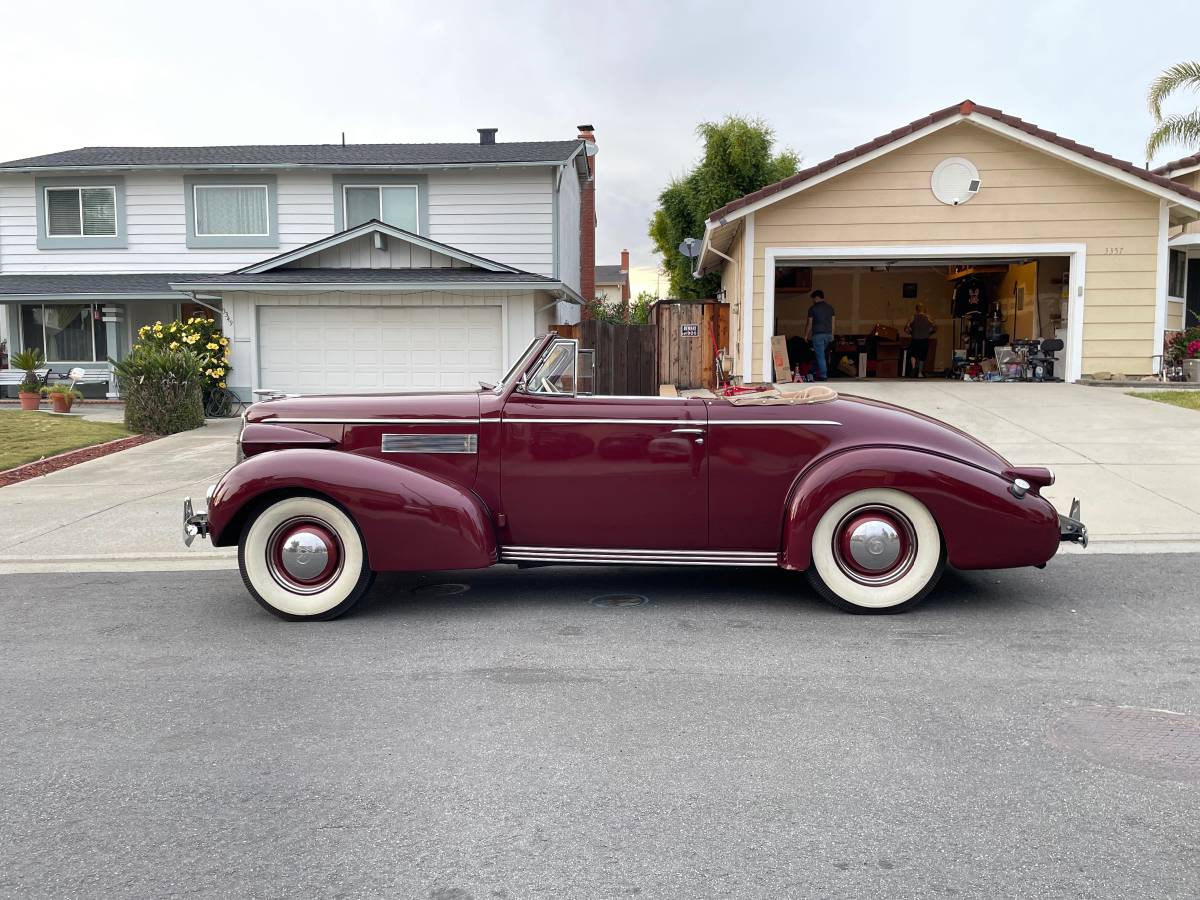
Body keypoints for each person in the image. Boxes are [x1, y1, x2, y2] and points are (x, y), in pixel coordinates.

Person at [804, 290, 836, 381]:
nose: (812, 301)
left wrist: (806, 335)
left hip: (818, 335)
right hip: (828, 335)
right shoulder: (830, 308)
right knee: (819, 354)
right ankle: (812, 371)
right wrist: (832, 335)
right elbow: (833, 323)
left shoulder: (812, 309)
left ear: (816, 298)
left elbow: (809, 324)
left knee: (820, 355)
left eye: (813, 299)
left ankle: (823, 375)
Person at [905, 302, 936, 378]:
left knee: (913, 354)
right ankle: (919, 373)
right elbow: (934, 327)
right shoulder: (928, 317)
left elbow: (906, 328)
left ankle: (913, 368)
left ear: (916, 309)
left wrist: (911, 332)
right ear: (924, 309)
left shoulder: (912, 317)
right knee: (922, 357)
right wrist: (928, 333)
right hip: (924, 339)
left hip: (915, 339)